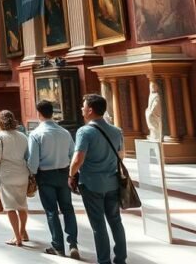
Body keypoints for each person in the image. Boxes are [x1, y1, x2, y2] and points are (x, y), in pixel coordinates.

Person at [69, 94, 127, 264]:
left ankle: (104, 260)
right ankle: (121, 258)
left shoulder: (84, 131)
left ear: (90, 110)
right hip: (112, 182)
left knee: (98, 224)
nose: (81, 109)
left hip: (91, 184)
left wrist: (71, 175)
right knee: (116, 221)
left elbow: (78, 158)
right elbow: (121, 155)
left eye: (83, 106)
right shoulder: (117, 131)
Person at [28, 99, 79, 258]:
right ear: (52, 113)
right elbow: (73, 154)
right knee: (68, 209)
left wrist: (32, 173)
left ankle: (58, 245)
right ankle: (73, 244)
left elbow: (33, 162)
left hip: (46, 175)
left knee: (51, 211)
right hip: (64, 173)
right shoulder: (65, 132)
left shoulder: (36, 134)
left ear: (39, 113)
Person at [0, 110, 30, 248]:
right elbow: (27, 156)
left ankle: (17, 237)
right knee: (22, 205)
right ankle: (22, 232)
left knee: (10, 207)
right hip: (22, 173)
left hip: (7, 174)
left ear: (0, 122)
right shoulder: (23, 136)